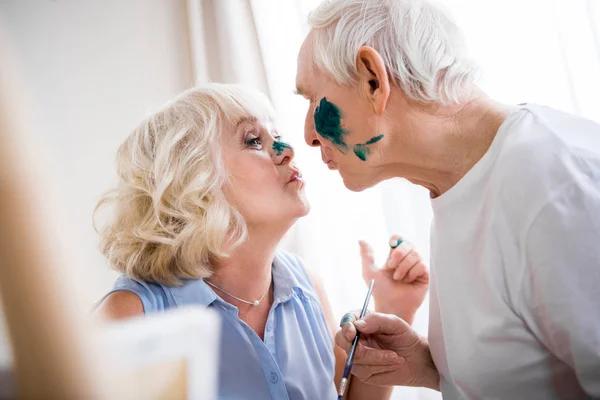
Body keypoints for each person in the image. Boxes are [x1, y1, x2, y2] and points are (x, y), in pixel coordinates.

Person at [295, 0, 600, 398]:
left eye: (312, 99)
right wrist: (430, 367)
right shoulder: (458, 187)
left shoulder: (552, 185)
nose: (307, 135)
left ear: (373, 81)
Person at [94, 83, 429, 399]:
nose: (286, 150)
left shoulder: (307, 287)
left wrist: (394, 310)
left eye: (277, 134)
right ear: (193, 181)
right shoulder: (131, 315)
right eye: (254, 139)